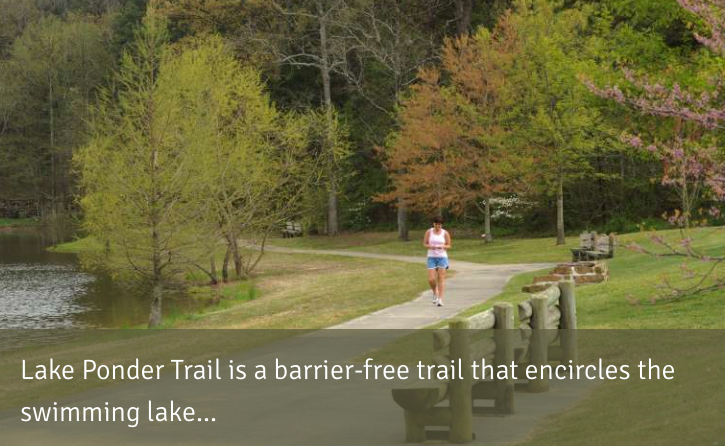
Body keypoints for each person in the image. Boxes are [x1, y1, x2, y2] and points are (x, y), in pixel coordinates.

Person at [424, 215, 451, 307]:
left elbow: (449, 245)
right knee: (431, 279)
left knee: (441, 278)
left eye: (440, 225)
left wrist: (442, 247)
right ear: (433, 224)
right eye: (436, 224)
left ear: (441, 225)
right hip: (431, 257)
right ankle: (435, 292)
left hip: (442, 257)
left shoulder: (445, 233)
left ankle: (440, 299)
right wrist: (430, 246)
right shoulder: (429, 232)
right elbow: (425, 243)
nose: (438, 226)